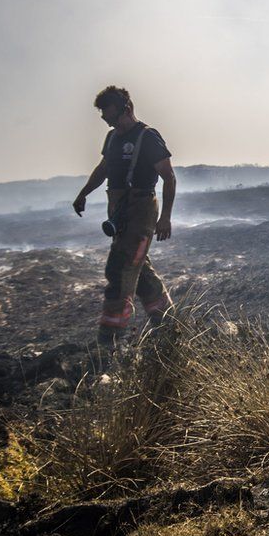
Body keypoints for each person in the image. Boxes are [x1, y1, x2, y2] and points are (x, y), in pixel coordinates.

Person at [72, 86, 177, 343]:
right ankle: (169, 327)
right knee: (139, 270)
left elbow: (168, 177)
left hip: (141, 211)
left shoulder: (148, 137)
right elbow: (105, 167)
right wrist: (83, 193)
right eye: (106, 120)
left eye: (112, 117)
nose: (110, 124)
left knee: (119, 271)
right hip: (119, 211)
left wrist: (165, 217)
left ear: (127, 109)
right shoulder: (112, 138)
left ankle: (109, 343)